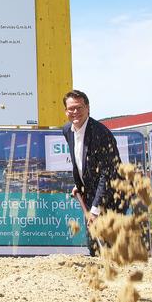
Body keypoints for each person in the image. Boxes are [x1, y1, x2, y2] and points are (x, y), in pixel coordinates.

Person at [61, 90, 125, 256]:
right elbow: (81, 161)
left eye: (79, 107)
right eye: (71, 108)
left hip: (112, 194)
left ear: (88, 108)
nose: (75, 112)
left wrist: (96, 210)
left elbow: (109, 174)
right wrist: (79, 184)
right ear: (66, 111)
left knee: (110, 244)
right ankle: (101, 278)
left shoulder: (101, 134)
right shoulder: (68, 130)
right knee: (94, 244)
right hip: (90, 194)